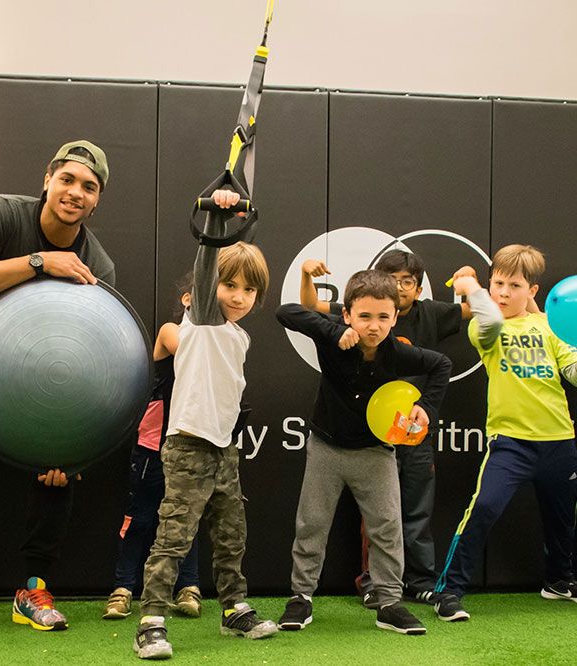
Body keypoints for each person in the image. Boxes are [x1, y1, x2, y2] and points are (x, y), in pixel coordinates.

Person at [0, 140, 115, 631]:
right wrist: (39, 262)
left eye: (88, 187)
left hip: (38, 379)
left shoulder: (97, 262)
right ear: (47, 179)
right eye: (67, 179)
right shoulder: (4, 214)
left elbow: (95, 352)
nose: (75, 192)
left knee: (57, 472)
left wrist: (73, 448)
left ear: (96, 201)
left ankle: (32, 589)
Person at [134, 190, 276, 661]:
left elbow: (235, 259)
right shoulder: (201, 322)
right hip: (187, 446)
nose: (238, 296)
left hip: (224, 449)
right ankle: (152, 620)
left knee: (231, 535)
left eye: (248, 290)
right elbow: (209, 261)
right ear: (205, 290)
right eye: (228, 285)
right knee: (174, 536)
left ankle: (234, 608)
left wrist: (238, 220)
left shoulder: (240, 335)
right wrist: (215, 219)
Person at [276, 269, 451, 636]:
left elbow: (440, 365)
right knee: (311, 524)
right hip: (326, 448)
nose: (374, 326)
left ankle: (389, 603)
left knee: (387, 527)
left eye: (384, 317)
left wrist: (426, 409)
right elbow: (287, 312)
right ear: (348, 314)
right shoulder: (332, 336)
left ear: (395, 317)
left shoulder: (399, 352)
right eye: (365, 316)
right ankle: (301, 597)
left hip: (376, 452)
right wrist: (334, 332)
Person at [300, 251, 471, 607]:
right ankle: (372, 584)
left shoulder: (431, 315)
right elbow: (305, 308)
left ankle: (420, 581)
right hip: (371, 436)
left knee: (415, 510)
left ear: (416, 290)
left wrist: (470, 282)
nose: (398, 287)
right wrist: (307, 278)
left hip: (413, 433)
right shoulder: (358, 318)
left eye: (407, 281)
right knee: (373, 517)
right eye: (391, 279)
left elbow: (475, 316)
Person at [433, 245, 577, 622]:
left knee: (562, 519)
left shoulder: (550, 326)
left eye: (514, 285)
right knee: (483, 508)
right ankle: (448, 592)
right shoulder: (483, 326)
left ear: (532, 290)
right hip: (511, 442)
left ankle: (560, 582)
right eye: (497, 283)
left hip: (560, 441)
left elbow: (572, 370)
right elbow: (491, 320)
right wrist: (469, 286)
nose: (503, 292)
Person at [103, 273, 202, 620]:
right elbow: (189, 349)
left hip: (190, 448)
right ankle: (123, 589)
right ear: (188, 299)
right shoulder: (170, 331)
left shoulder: (220, 340)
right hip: (151, 449)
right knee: (140, 520)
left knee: (183, 523)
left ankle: (188, 588)